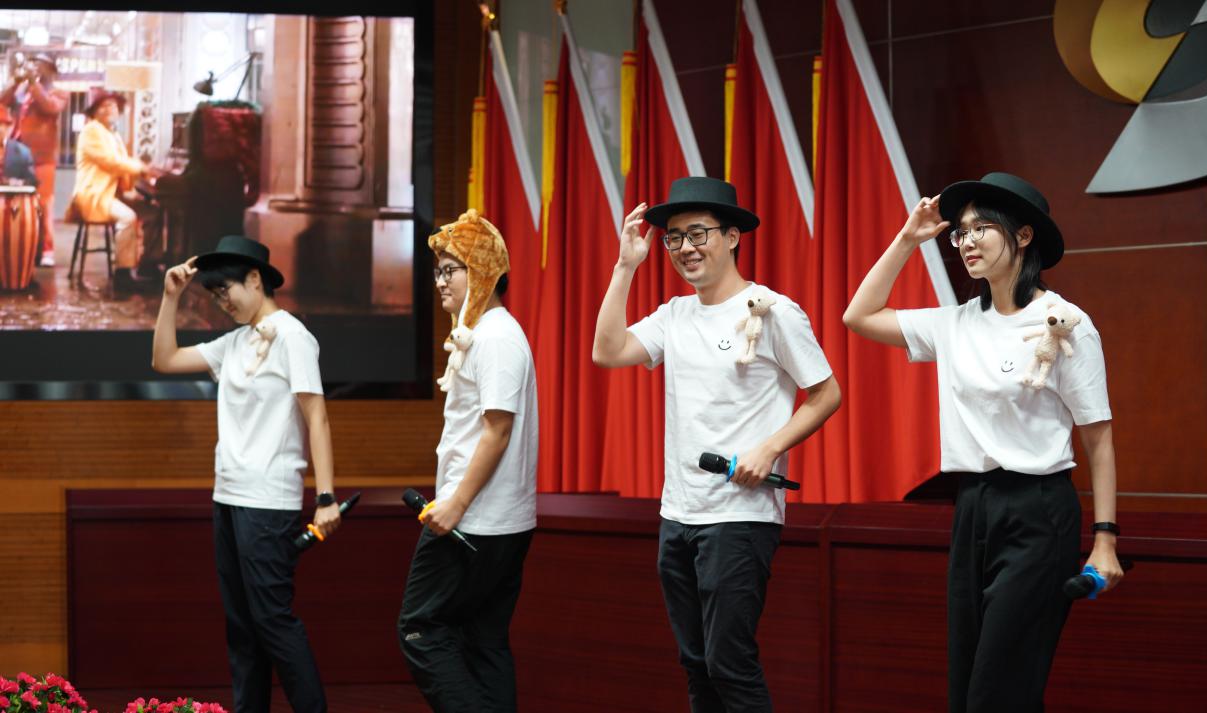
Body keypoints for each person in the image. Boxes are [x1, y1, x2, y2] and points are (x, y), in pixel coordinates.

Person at [842, 172, 1123, 713]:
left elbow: (1099, 438)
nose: (967, 241)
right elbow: (859, 316)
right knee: (968, 687)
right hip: (972, 508)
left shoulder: (1065, 323)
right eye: (961, 232)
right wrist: (908, 239)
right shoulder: (956, 323)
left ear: (1023, 236)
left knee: (1000, 691)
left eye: (981, 229)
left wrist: (1105, 539)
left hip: (1039, 511)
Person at [593, 176, 841, 712]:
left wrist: (769, 449)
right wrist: (625, 266)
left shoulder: (772, 310)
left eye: (698, 233)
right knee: (696, 664)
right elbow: (607, 352)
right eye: (675, 237)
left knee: (730, 664)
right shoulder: (675, 314)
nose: (686, 247)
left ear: (732, 237)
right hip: (677, 514)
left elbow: (827, 394)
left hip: (739, 516)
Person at [151, 234, 338, 713]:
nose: (223, 303)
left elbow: (316, 416)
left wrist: (326, 497)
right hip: (229, 498)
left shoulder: (293, 336)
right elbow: (165, 360)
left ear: (255, 280)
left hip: (269, 502)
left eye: (226, 290)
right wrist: (171, 297)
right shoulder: (234, 342)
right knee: (242, 627)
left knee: (273, 621)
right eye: (215, 295)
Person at [397, 209, 538, 713]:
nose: (440, 281)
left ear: (482, 272)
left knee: (419, 628)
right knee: (482, 640)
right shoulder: (484, 331)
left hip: (474, 521)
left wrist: (455, 503)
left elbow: (498, 431)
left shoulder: (496, 337)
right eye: (438, 270)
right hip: (495, 520)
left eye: (450, 269)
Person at [66, 87, 163, 292]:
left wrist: (144, 172)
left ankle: (149, 264)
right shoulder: (91, 130)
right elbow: (111, 162)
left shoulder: (112, 134)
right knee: (128, 217)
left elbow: (122, 163)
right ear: (95, 111)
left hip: (111, 194)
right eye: (104, 105)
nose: (110, 109)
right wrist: (142, 168)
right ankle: (123, 274)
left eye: (113, 106)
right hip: (94, 195)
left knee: (152, 212)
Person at [1, 53, 67, 266]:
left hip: (42, 157)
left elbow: (50, 107)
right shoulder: (24, 90)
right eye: (33, 64)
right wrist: (16, 82)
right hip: (17, 155)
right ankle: (18, 245)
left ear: (51, 70)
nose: (35, 67)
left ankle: (46, 249)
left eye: (40, 64)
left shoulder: (59, 93)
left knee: (44, 203)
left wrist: (32, 83)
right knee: (14, 201)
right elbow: (3, 102)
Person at [0, 105, 36, 185]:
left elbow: (32, 181)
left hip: (10, 192)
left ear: (7, 127)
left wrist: (17, 183)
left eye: (1, 125)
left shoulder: (22, 152)